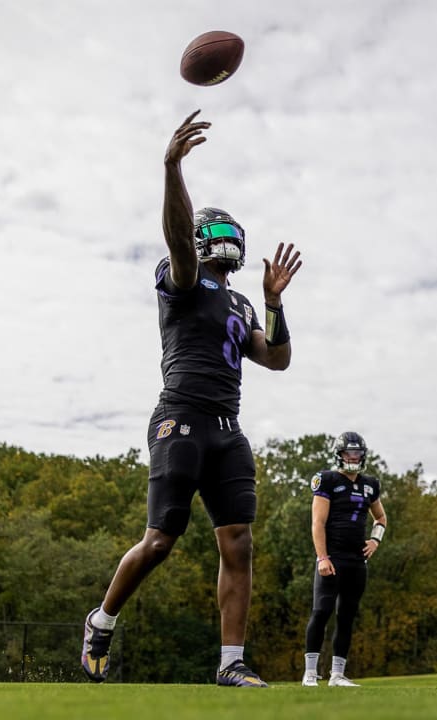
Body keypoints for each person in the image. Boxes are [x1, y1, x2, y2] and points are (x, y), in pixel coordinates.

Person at [80, 110, 303, 687]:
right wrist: (172, 168)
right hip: (179, 416)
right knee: (159, 542)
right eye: (217, 236)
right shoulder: (184, 278)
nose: (225, 244)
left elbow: (276, 358)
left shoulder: (243, 304)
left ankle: (231, 664)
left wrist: (274, 302)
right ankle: (101, 622)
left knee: (239, 541)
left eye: (233, 237)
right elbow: (178, 238)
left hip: (228, 427)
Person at [302, 431, 388, 687]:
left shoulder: (370, 484)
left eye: (357, 454)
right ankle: (310, 673)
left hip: (356, 561)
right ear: (339, 455)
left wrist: (375, 540)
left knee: (347, 616)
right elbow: (317, 523)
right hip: (333, 557)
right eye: (348, 453)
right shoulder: (327, 480)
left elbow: (381, 518)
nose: (353, 458)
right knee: (321, 612)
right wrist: (322, 557)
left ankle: (337, 674)